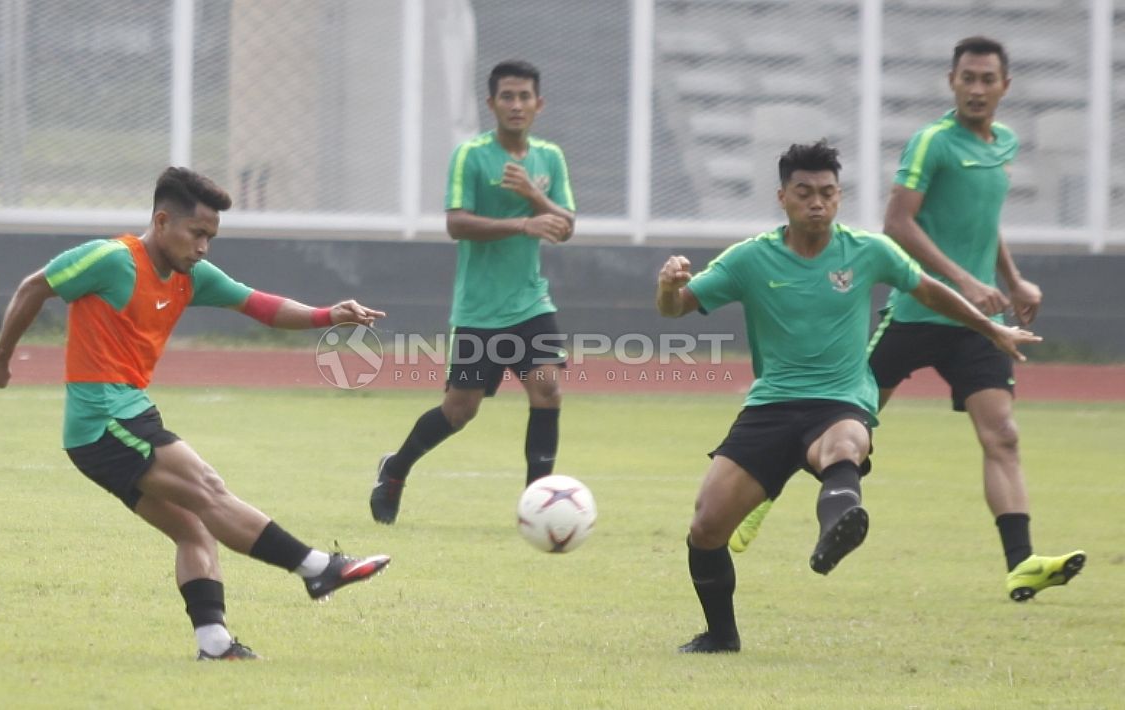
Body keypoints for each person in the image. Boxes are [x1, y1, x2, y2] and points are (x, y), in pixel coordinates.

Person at [0, 167, 392, 661]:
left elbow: (260, 305)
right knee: (209, 489)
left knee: (193, 526)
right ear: (161, 221)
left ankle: (213, 644)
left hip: (118, 420)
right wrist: (0, 356)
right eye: (197, 233)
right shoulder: (111, 260)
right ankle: (317, 567)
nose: (203, 247)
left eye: (211, 237)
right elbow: (33, 288)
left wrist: (328, 315)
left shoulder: (189, 276)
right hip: (105, 420)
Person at [728, 37, 1086, 603]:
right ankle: (759, 498)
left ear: (1004, 86)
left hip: (971, 322)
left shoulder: (1004, 145)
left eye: (987, 79)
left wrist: (1011, 278)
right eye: (966, 77)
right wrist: (963, 281)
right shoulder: (932, 144)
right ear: (951, 81)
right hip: (918, 312)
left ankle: (1020, 564)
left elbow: (981, 221)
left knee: (1004, 435)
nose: (976, 88)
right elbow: (899, 222)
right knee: (835, 421)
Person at [657, 140, 1040, 653]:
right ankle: (721, 636)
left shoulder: (867, 251)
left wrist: (991, 329)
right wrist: (667, 285)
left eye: (828, 193)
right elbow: (677, 308)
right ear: (782, 197)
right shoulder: (751, 258)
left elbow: (927, 290)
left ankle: (834, 532)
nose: (817, 202)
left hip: (839, 401)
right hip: (770, 405)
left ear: (839, 197)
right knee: (706, 526)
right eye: (805, 193)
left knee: (845, 446)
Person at [369, 59, 576, 524]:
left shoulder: (551, 158)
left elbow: (565, 226)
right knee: (460, 410)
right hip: (480, 308)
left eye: (525, 96)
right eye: (507, 96)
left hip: (531, 300)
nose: (516, 105)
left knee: (548, 389)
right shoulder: (471, 155)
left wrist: (533, 196)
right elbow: (456, 223)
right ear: (491, 104)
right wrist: (523, 220)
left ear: (538, 104)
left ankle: (536, 508)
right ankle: (395, 469)